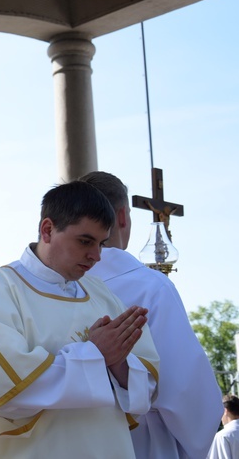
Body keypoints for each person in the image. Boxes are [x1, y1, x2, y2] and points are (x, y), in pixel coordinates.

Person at [0, 181, 159, 459]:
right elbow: (3, 390)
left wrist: (118, 363)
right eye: (85, 241)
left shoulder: (102, 295)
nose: (96, 256)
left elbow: (144, 389)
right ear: (48, 230)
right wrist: (95, 354)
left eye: (102, 243)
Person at [81, 171, 222, 458]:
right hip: (141, 442)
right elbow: (186, 390)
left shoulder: (56, 286)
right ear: (122, 217)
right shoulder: (151, 287)